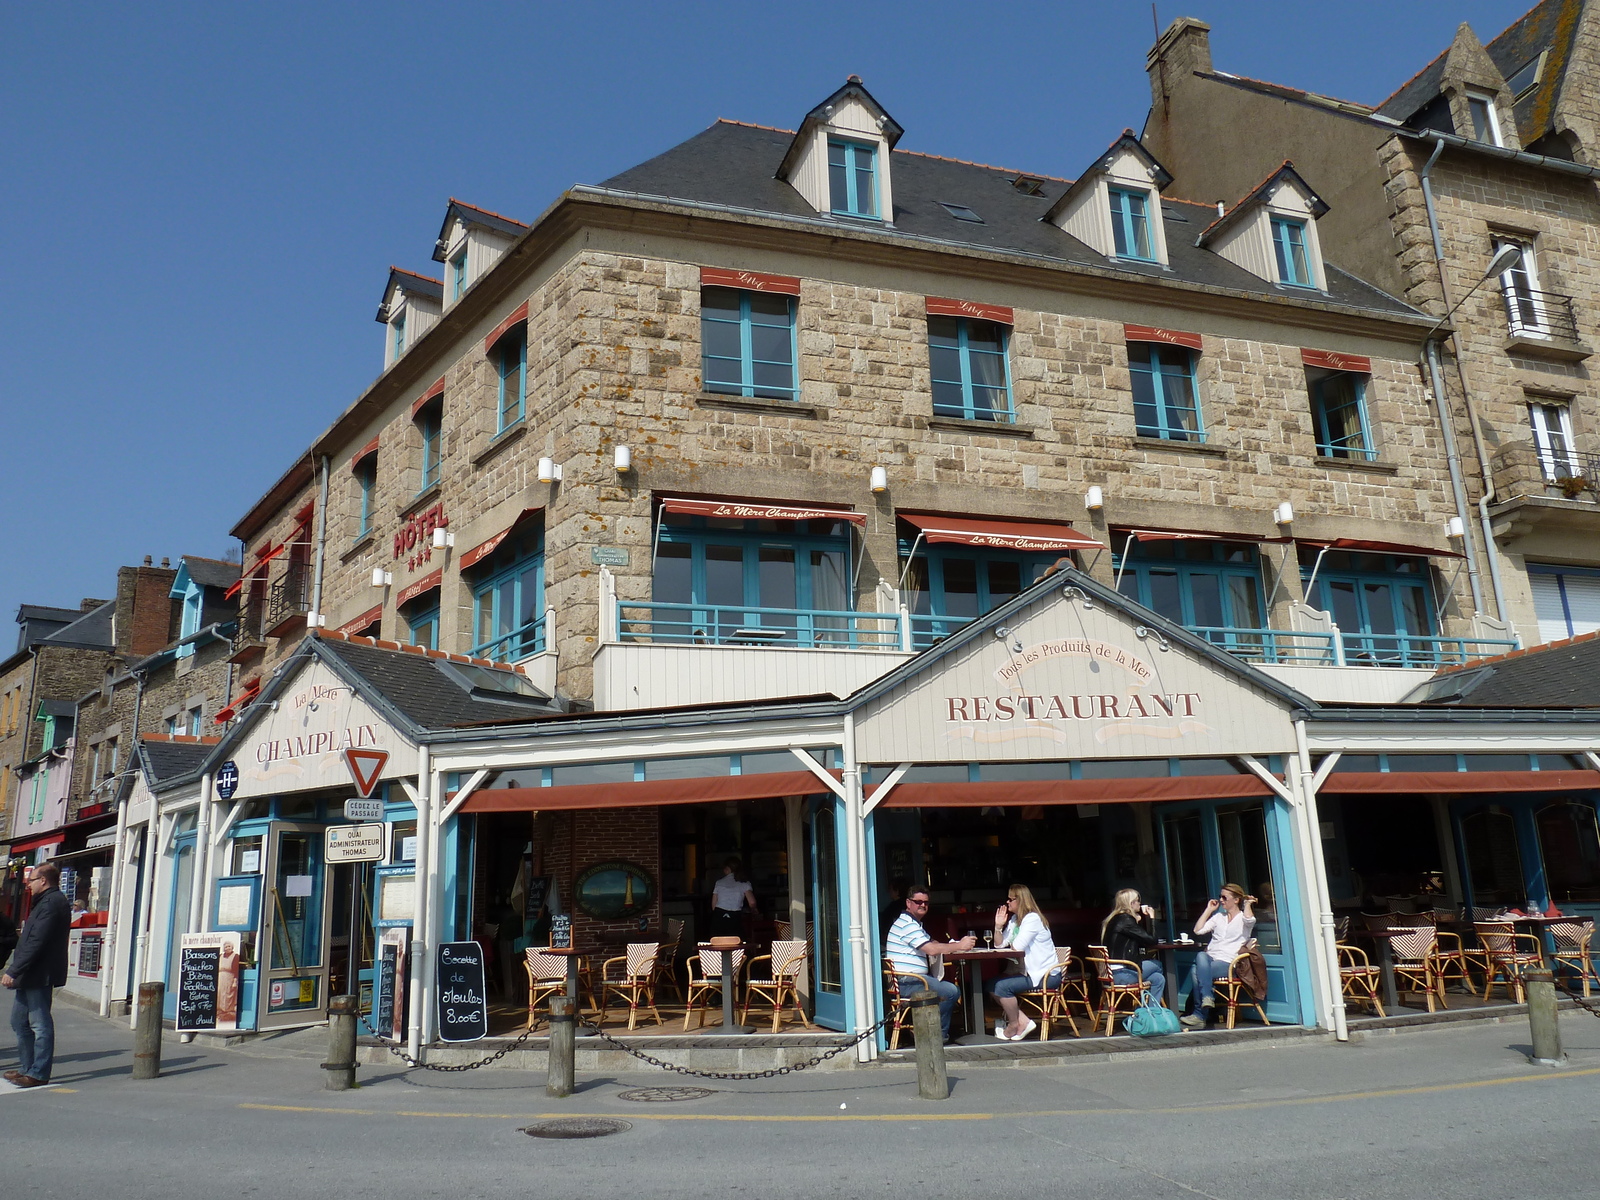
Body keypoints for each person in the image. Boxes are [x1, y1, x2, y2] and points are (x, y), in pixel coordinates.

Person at [3, 863, 71, 1087]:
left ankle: (38, 1072)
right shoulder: (45, 902)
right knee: (19, 1022)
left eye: (31, 880)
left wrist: (13, 970)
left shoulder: (52, 903)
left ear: (43, 880)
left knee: (40, 1024)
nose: (29, 884)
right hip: (31, 973)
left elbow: (37, 941)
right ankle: (27, 1067)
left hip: (40, 972)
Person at [886, 887, 974, 1042]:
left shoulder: (913, 924)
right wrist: (959, 945)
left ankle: (929, 1032)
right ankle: (935, 1036)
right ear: (908, 902)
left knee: (948, 989)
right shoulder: (907, 925)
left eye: (926, 902)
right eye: (918, 901)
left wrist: (951, 945)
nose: (922, 905)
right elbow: (932, 949)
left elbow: (932, 942)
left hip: (912, 980)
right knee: (950, 991)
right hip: (907, 982)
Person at [987, 884, 1061, 1041]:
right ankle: (1023, 1021)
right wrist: (998, 927)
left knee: (1001, 987)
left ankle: (1013, 1025)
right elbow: (999, 945)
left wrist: (1012, 939)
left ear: (1020, 900)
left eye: (1010, 899)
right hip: (1027, 972)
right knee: (991, 984)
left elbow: (1017, 947)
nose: (1007, 903)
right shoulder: (1015, 920)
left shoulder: (1032, 919)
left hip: (1044, 975)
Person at [1181, 882, 1257, 1028]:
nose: (1221, 900)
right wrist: (1209, 910)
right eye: (1220, 897)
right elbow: (1198, 930)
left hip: (1227, 962)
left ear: (1236, 900)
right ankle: (1207, 997)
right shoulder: (1218, 917)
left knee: (1195, 971)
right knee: (1201, 956)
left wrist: (1247, 904)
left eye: (1224, 897)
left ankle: (1200, 1013)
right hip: (1210, 959)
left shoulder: (1243, 919)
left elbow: (1250, 919)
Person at [1100, 888, 1166, 1006]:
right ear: (1131, 903)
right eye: (1138, 900)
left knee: (1158, 978)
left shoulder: (1114, 919)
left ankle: (1150, 1013)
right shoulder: (1126, 920)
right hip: (1122, 974)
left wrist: (1137, 922)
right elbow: (1151, 940)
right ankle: (1146, 1010)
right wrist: (1151, 918)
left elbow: (1137, 937)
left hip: (1110, 974)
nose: (1140, 903)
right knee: (1158, 964)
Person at [709, 858, 755, 939]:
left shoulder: (719, 883)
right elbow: (752, 902)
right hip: (735, 916)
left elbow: (713, 906)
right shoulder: (745, 883)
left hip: (719, 915)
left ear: (727, 869)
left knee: (718, 941)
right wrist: (754, 910)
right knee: (736, 941)